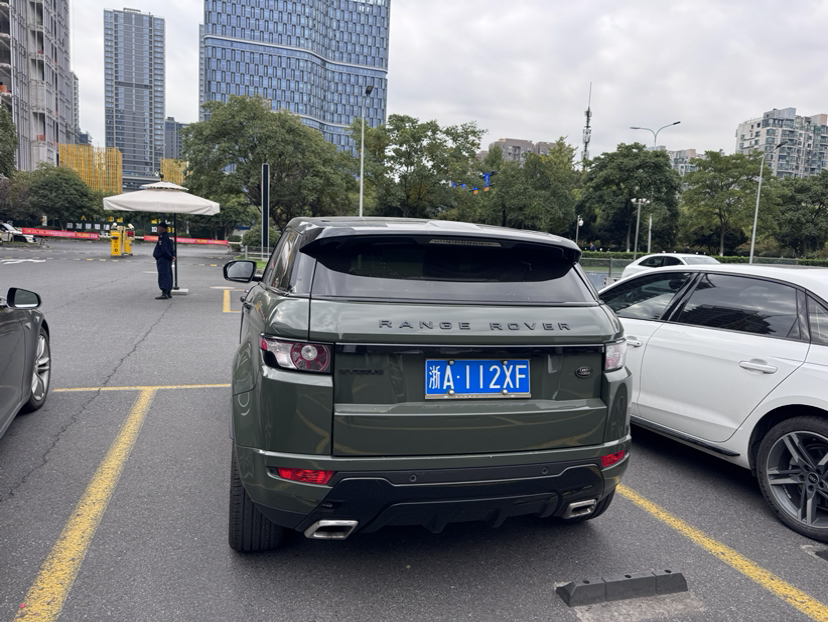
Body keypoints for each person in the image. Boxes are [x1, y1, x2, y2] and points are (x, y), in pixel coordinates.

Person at [153, 222, 175, 299]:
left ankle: (164, 292)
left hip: (163, 259)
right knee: (168, 274)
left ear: (162, 228)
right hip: (167, 259)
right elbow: (171, 248)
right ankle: (168, 291)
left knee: (163, 275)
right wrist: (172, 256)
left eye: (158, 228)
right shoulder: (168, 237)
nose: (158, 229)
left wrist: (170, 256)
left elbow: (164, 249)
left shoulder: (163, 237)